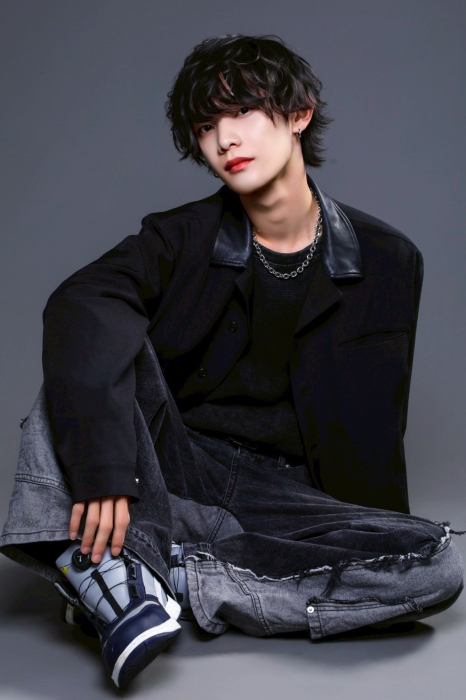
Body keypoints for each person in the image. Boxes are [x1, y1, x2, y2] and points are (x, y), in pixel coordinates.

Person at [1, 34, 463, 690]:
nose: (224, 139)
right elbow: (82, 301)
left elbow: (378, 423)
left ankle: (161, 576)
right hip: (176, 469)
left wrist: (371, 532)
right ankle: (128, 574)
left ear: (299, 113)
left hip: (285, 500)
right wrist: (105, 471)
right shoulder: (177, 237)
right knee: (92, 349)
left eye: (243, 111)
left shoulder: (389, 260)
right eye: (205, 126)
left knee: (438, 564)